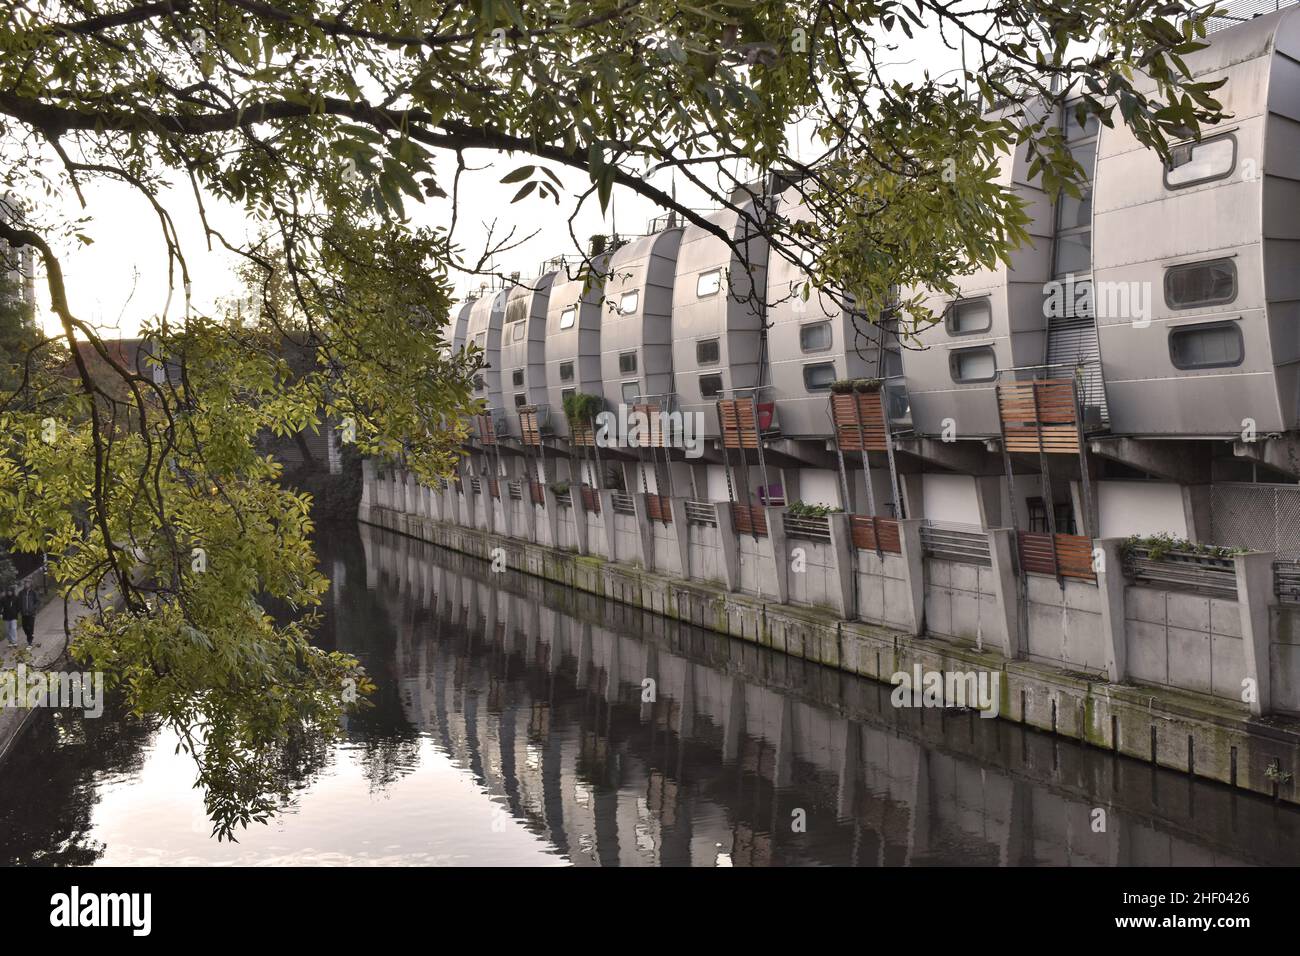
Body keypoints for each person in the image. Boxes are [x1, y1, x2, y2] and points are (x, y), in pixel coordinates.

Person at [18, 583, 37, 647]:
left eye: (28, 584)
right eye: (26, 584)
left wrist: (33, 608)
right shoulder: (21, 593)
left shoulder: (33, 593)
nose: (27, 585)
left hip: (31, 613)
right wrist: (20, 609)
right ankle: (29, 635)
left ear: (30, 585)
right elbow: (19, 602)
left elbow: (37, 601)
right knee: (24, 627)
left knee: (30, 627)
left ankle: (30, 641)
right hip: (24, 613)